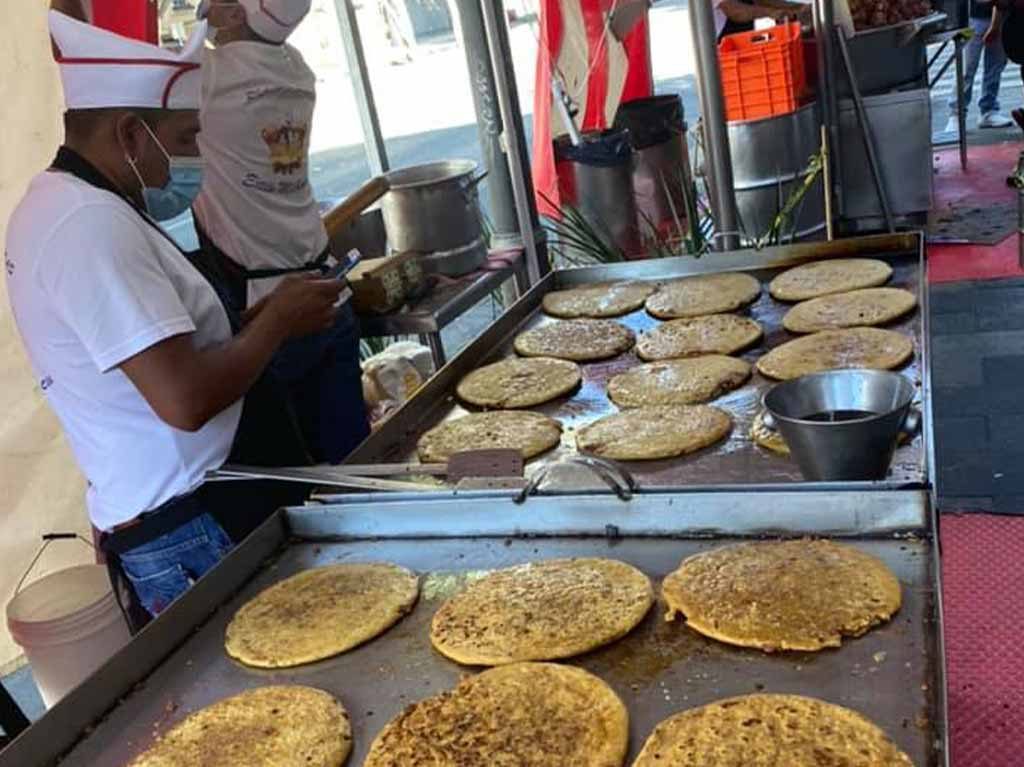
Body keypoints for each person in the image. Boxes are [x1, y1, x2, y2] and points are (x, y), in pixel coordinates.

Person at [6, 11, 341, 627]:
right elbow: (182, 399)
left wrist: (258, 316)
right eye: (186, 141)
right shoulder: (88, 226)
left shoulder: (65, 205)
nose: (191, 162)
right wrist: (276, 325)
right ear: (132, 134)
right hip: (192, 523)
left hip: (190, 506)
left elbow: (160, 350)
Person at [192, 0, 370, 465]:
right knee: (352, 468)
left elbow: (97, 54)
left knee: (294, 486)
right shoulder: (298, 70)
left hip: (271, 314)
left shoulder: (208, 79)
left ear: (231, 15)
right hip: (328, 297)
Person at [944, 0, 1013, 133]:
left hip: (1002, 14)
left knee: (995, 67)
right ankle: (956, 114)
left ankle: (988, 109)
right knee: (966, 67)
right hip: (972, 17)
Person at [715, 0, 811, 39]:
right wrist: (772, 13)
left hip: (730, 21)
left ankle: (801, 12)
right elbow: (736, 12)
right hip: (718, 43)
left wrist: (797, 8)